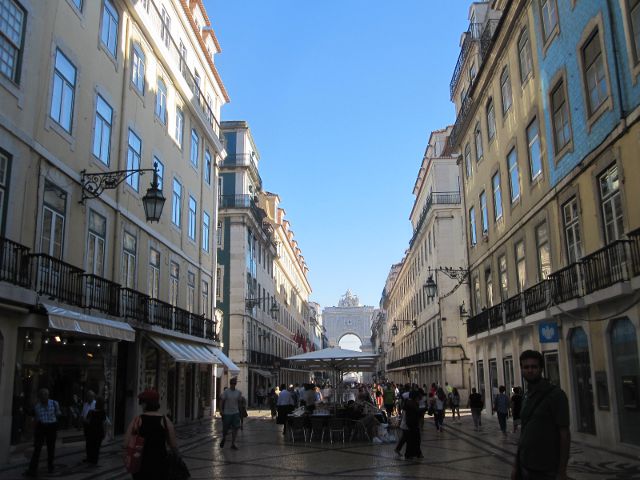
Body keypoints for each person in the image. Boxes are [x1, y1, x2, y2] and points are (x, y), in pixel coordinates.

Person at [511, 350, 570, 480]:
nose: (530, 370)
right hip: (525, 466)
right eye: (526, 367)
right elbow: (524, 432)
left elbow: (564, 434)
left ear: (541, 369)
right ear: (521, 369)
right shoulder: (526, 396)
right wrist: (516, 465)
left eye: (534, 367)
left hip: (546, 469)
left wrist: (562, 471)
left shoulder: (556, 395)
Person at [124, 389, 177, 480]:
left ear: (145, 404)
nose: (141, 405)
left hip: (140, 464)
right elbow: (173, 444)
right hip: (160, 464)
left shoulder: (137, 420)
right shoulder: (165, 421)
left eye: (141, 402)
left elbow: (125, 443)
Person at [24, 388, 61, 477]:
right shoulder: (37, 406)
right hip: (41, 427)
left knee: (51, 448)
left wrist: (56, 417)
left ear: (48, 395)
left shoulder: (54, 403)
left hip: (51, 427)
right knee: (37, 448)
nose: (44, 396)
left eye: (46, 394)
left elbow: (59, 413)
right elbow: (36, 418)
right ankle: (32, 469)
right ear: (39, 397)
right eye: (42, 395)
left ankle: (50, 467)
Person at [220, 377, 245, 449]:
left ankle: (233, 443)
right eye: (232, 383)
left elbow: (239, 403)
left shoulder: (238, 392)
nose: (233, 385)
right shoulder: (226, 392)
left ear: (235, 384)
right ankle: (224, 437)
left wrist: (241, 413)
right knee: (225, 429)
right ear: (230, 384)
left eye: (234, 383)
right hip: (227, 413)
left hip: (235, 412)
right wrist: (221, 410)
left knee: (236, 428)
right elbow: (221, 401)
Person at [84, 397, 107, 465]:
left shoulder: (91, 412)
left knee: (90, 446)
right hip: (99, 432)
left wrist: (83, 420)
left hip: (91, 431)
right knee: (96, 447)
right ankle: (94, 460)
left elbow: (87, 421)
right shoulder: (103, 412)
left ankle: (90, 459)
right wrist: (104, 432)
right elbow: (104, 423)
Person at [81, 390, 96, 462]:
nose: (88, 397)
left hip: (93, 427)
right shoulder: (85, 404)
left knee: (92, 442)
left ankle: (92, 457)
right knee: (88, 442)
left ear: (93, 397)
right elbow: (82, 414)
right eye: (87, 396)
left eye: (90, 396)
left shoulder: (96, 404)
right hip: (86, 426)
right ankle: (88, 457)